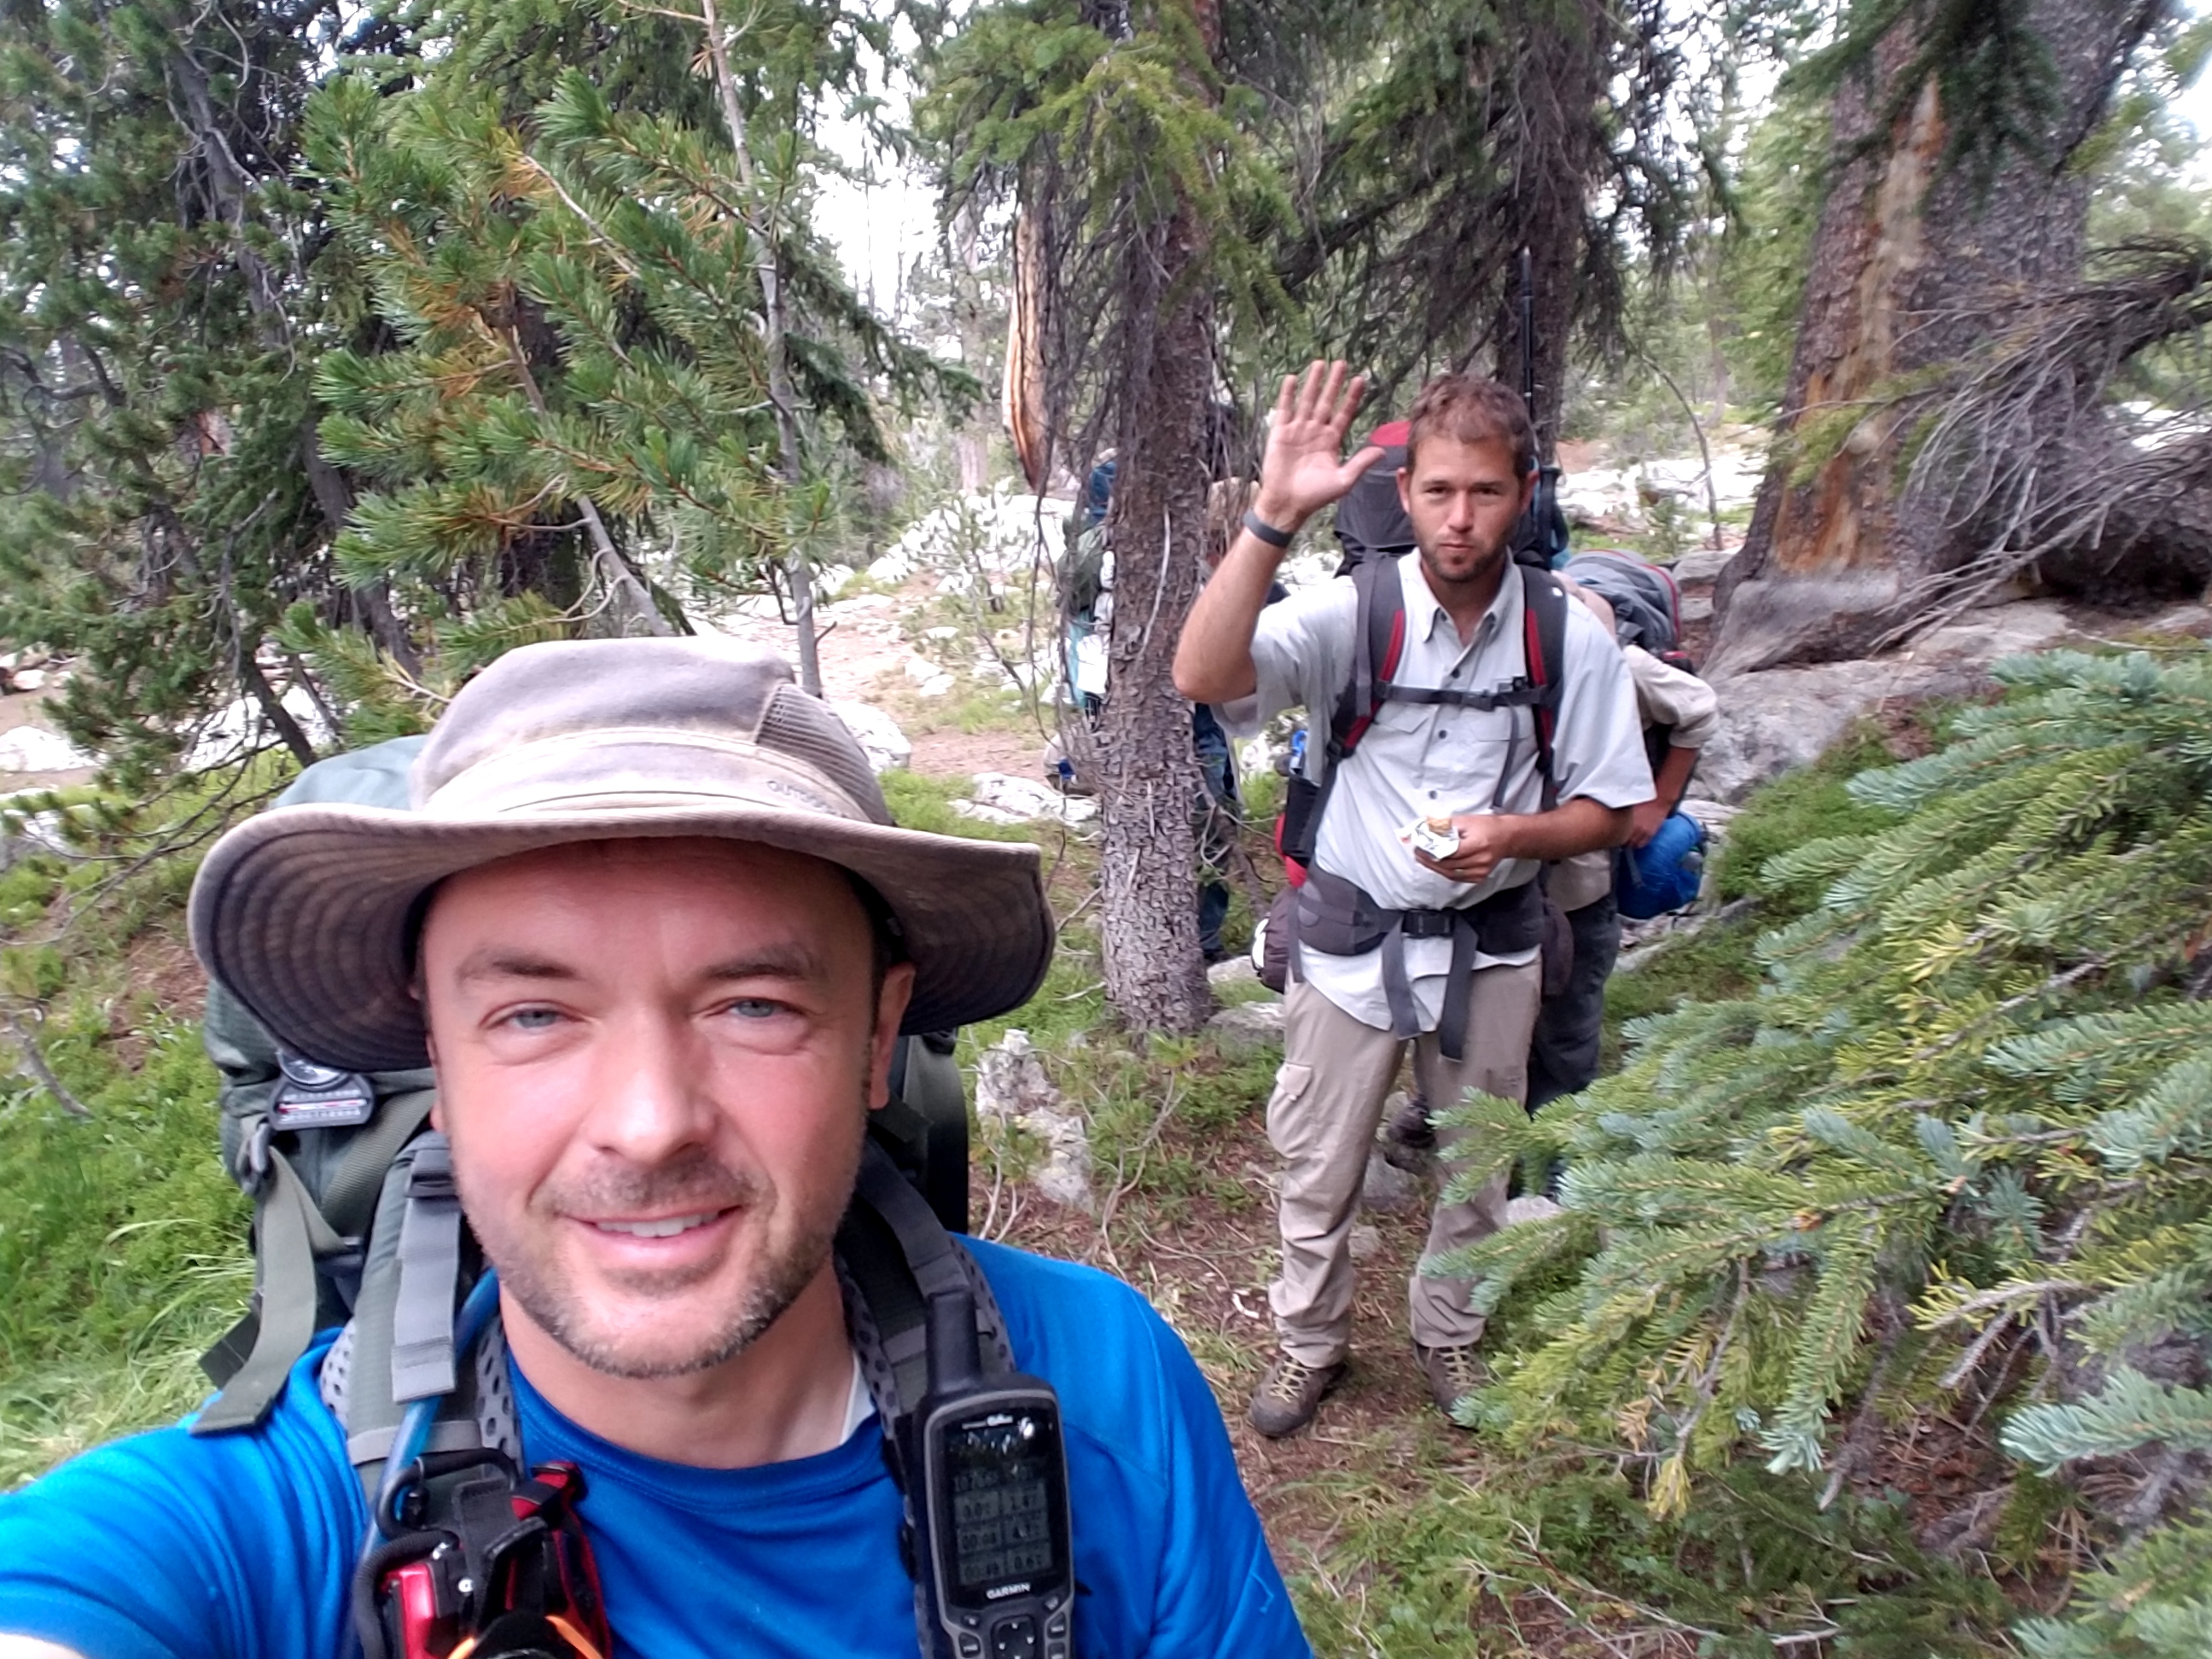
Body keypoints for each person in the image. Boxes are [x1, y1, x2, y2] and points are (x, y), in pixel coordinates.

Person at [0, 637, 1310, 1658]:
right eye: (532, 1015)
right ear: (437, 1069)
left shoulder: (1102, 1387)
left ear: (877, 1034)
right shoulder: (293, 1522)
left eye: (754, 1005)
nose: (649, 1119)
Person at [1173, 363, 1653, 1437]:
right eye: (1438, 491)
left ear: (1523, 494)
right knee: (1318, 1162)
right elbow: (1203, 677)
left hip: (1494, 949)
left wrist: (1514, 838)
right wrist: (1271, 519)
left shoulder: (1565, 635)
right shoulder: (1352, 612)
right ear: (1408, 494)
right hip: (1348, 949)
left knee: (1478, 1168)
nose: (1460, 517)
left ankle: (1450, 1336)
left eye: (1485, 492)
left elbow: (1615, 809)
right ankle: (1309, 1346)